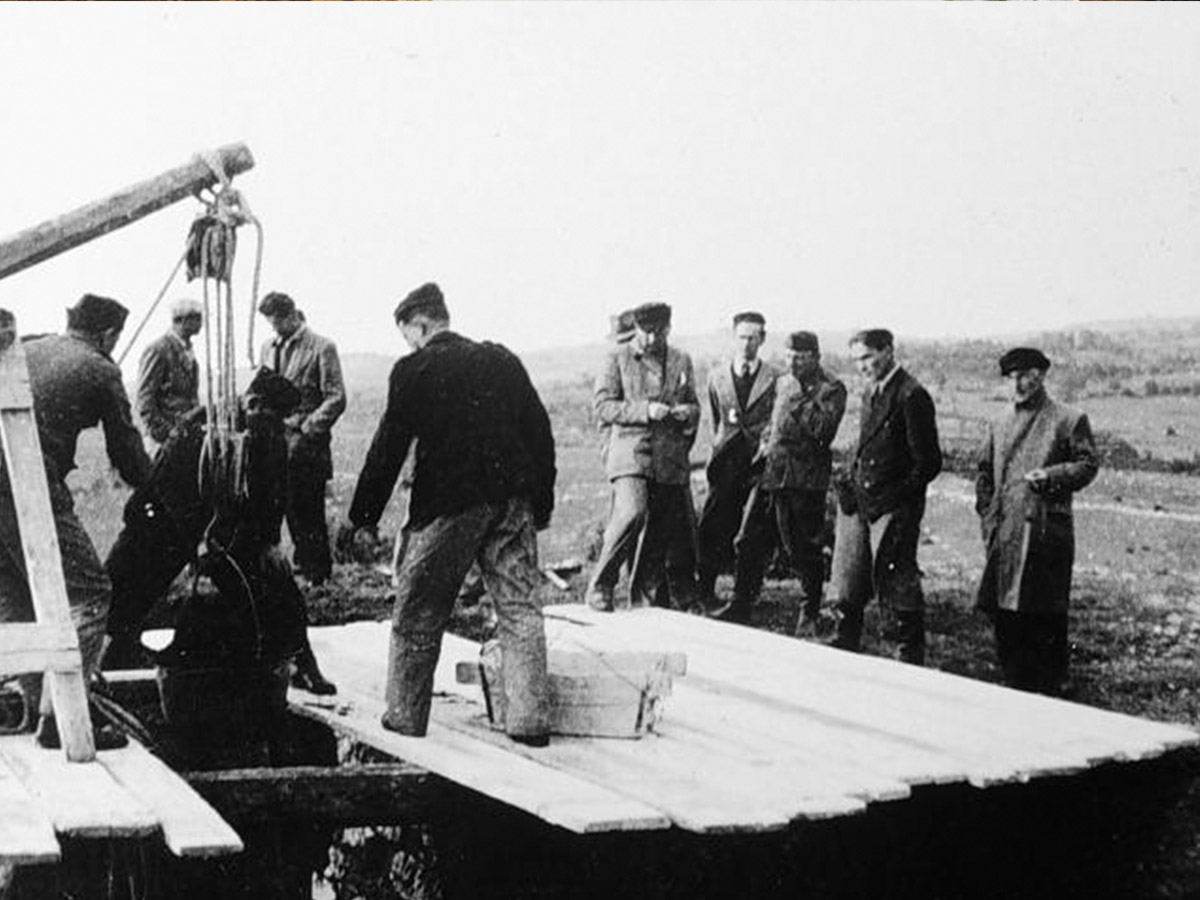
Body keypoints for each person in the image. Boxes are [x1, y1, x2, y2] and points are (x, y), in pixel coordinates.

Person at [336, 282, 555, 746]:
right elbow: (539, 432)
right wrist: (542, 503)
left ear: (420, 325)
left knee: (418, 609)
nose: (409, 346)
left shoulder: (413, 370)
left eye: (408, 336)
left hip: (450, 504)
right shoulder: (501, 359)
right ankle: (530, 722)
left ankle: (404, 717)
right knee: (520, 608)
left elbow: (388, 447)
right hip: (512, 500)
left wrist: (362, 516)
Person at [104, 368, 336, 694]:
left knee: (278, 588)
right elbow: (163, 485)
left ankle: (301, 663)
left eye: (280, 420)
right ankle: (110, 657)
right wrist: (195, 545)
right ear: (252, 403)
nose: (277, 426)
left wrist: (265, 546)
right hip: (167, 520)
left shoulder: (269, 437)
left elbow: (271, 502)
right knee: (124, 589)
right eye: (272, 416)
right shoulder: (198, 427)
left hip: (228, 531)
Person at [0, 294, 151, 749]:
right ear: (108, 335)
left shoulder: (32, 344)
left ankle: (35, 705)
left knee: (17, 591)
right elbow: (127, 454)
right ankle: (62, 720)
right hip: (26, 480)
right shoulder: (101, 368)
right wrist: (156, 484)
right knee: (90, 592)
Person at [975, 347, 1098, 695]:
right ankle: (1016, 688)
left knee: (1043, 615)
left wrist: (1053, 475)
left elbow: (1087, 464)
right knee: (1006, 616)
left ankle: (1050, 692)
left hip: (1045, 533)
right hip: (1006, 532)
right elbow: (984, 473)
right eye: (1011, 378)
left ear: (1041, 376)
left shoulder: (1068, 419)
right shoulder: (998, 423)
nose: (1017, 385)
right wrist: (988, 516)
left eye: (1024, 377)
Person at [829, 328, 941, 665]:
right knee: (850, 574)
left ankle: (907, 651)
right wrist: (850, 483)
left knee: (896, 577)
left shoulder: (911, 395)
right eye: (856, 360)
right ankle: (846, 638)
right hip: (864, 500)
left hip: (894, 506)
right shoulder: (872, 391)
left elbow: (928, 463)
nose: (862, 366)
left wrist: (893, 499)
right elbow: (867, 447)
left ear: (888, 351)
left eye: (867, 357)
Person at [584, 302, 705, 612]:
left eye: (658, 332)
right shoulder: (617, 357)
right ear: (636, 329)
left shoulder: (680, 359)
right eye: (646, 332)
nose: (651, 339)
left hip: (668, 457)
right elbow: (603, 406)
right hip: (630, 453)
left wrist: (686, 413)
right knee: (632, 511)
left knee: (658, 530)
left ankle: (644, 602)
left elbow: (694, 404)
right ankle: (601, 584)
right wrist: (645, 411)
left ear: (668, 329)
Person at [729, 331, 847, 631]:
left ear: (816, 358)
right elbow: (773, 421)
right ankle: (741, 603)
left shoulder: (832, 388)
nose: (793, 364)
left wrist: (797, 397)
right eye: (789, 357)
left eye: (801, 358)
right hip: (770, 475)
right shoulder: (782, 382)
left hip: (804, 481)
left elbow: (823, 431)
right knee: (747, 539)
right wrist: (765, 441)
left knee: (803, 548)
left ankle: (809, 613)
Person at [258, 291, 346, 586]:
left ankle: (317, 575)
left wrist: (308, 427)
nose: (274, 328)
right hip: (273, 443)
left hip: (307, 447)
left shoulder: (321, 347)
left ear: (293, 315)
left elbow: (336, 397)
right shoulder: (268, 347)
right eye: (270, 323)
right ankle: (294, 568)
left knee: (307, 510)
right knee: (278, 507)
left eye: (278, 321)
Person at [695, 312, 777, 607]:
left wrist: (764, 445)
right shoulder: (717, 377)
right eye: (742, 337)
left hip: (758, 464)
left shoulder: (775, 378)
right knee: (713, 524)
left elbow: (776, 420)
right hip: (726, 464)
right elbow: (716, 422)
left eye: (753, 338)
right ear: (733, 337)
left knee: (750, 530)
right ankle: (704, 590)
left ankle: (744, 595)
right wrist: (719, 452)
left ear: (762, 339)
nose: (747, 344)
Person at [136, 297, 202, 449]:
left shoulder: (187, 351)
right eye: (197, 318)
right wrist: (166, 432)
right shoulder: (158, 349)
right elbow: (145, 399)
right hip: (162, 441)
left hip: (183, 438)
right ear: (182, 320)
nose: (201, 323)